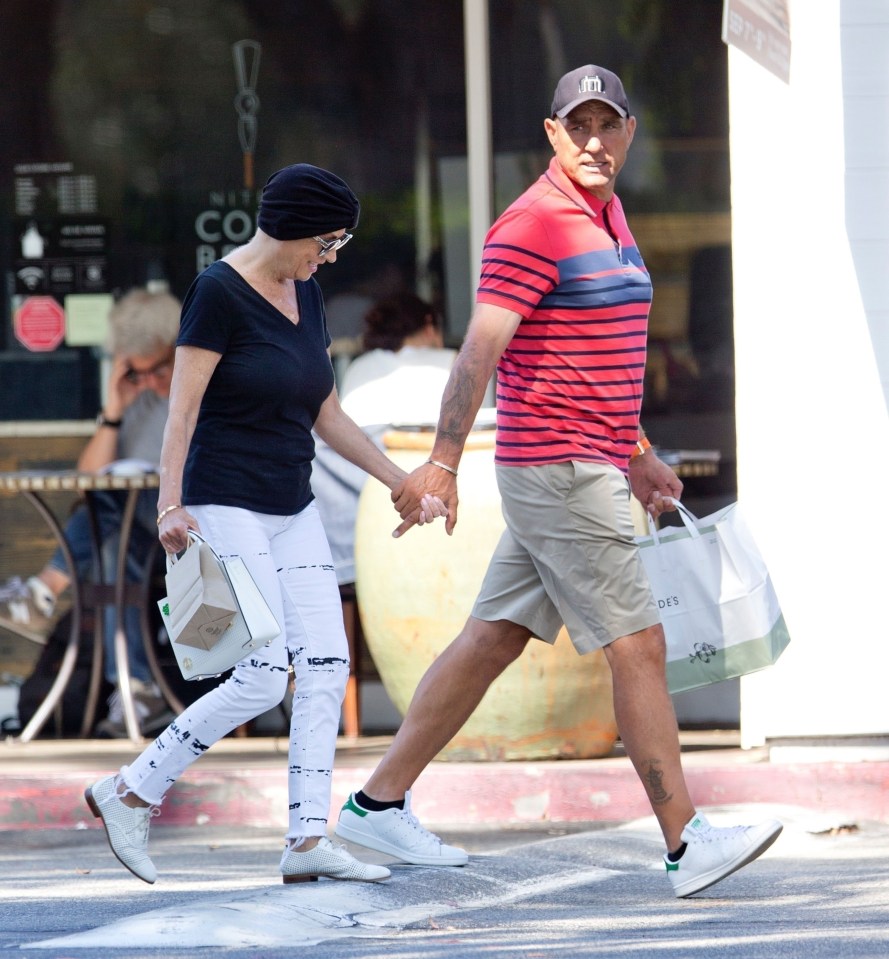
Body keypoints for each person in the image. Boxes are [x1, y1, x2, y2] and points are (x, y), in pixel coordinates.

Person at [333, 65, 783, 899]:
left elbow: (592, 359)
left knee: (492, 636)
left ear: (628, 132)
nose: (592, 140)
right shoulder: (532, 224)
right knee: (637, 644)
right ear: (551, 134)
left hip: (585, 461)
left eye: (606, 124)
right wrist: (440, 458)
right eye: (576, 125)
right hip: (562, 472)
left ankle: (374, 801)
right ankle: (686, 843)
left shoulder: (609, 217)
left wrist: (639, 446)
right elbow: (479, 351)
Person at [84, 163, 446, 887]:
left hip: (291, 502)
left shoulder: (304, 291)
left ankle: (307, 838)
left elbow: (326, 412)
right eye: (327, 239)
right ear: (289, 228)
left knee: (324, 664)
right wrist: (169, 504)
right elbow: (181, 411)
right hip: (222, 498)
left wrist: (398, 481)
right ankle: (129, 789)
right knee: (259, 671)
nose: (332, 255)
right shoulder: (217, 293)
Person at [0, 287, 180, 737]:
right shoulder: (137, 400)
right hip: (134, 537)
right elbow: (90, 478)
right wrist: (115, 408)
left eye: (160, 368)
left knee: (109, 516)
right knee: (106, 524)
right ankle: (139, 689)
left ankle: (44, 591)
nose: (153, 382)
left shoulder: (200, 395)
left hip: (184, 537)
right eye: (140, 373)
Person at [312, 292, 457, 587]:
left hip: (359, 504)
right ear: (430, 324)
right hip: (430, 490)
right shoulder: (454, 362)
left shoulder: (360, 368)